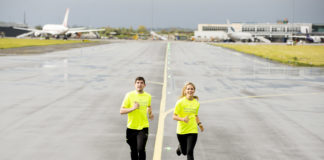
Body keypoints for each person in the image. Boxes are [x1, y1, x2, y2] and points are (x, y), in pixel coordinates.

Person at [120, 77, 154, 160]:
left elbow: (149, 106)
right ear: (135, 85)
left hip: (143, 127)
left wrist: (150, 114)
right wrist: (133, 108)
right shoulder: (129, 95)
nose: (139, 84)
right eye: (138, 82)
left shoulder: (148, 96)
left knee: (141, 149)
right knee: (134, 150)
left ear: (144, 85)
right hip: (131, 128)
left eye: (141, 83)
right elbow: (121, 111)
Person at [173, 82, 204, 160]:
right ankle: (180, 148)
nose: (190, 90)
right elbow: (174, 116)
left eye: (192, 89)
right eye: (188, 89)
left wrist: (200, 124)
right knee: (184, 152)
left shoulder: (196, 103)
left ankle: (182, 149)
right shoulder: (180, 102)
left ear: (194, 91)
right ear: (185, 91)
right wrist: (183, 119)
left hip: (193, 130)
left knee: (190, 152)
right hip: (181, 131)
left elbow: (195, 115)